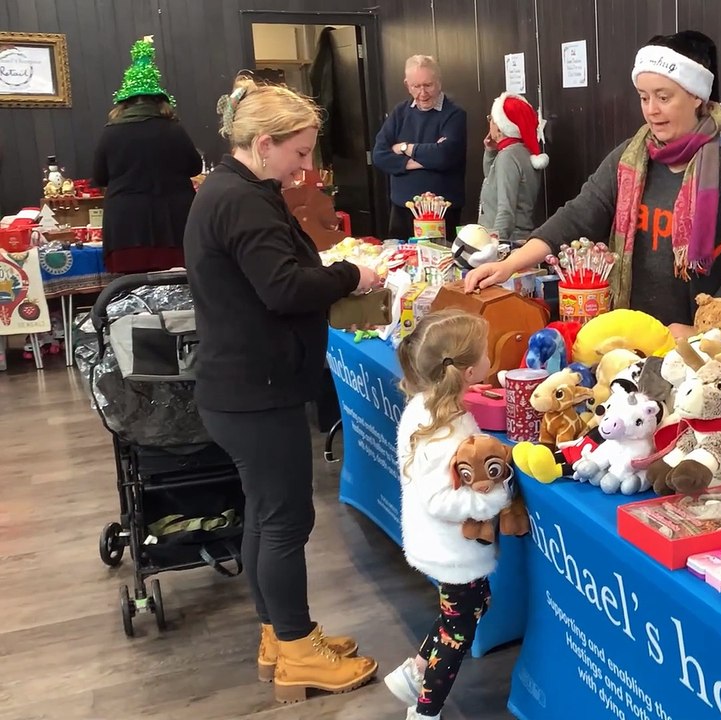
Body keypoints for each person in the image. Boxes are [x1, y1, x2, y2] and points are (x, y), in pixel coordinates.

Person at [184, 75, 380, 703]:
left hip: (239, 385)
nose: (307, 166)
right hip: (254, 390)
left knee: (265, 515)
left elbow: (277, 275)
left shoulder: (233, 188)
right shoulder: (241, 200)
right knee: (285, 520)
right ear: (262, 143)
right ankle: (297, 653)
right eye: (298, 153)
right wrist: (354, 274)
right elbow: (284, 288)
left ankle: (281, 633)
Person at [465, 31, 721, 338]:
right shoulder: (632, 157)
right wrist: (509, 265)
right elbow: (580, 213)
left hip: (704, 348)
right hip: (639, 336)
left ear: (696, 97)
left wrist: (706, 333)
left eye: (664, 97)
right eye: (644, 97)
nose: (652, 110)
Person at [383, 309, 510, 719]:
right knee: (458, 631)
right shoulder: (446, 429)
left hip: (440, 544)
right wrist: (494, 500)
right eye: (487, 352)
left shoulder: (430, 409)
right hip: (451, 548)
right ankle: (424, 712)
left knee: (474, 605)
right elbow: (440, 500)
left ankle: (414, 670)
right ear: (470, 371)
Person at [93, 36, 201, 273]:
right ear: (161, 101)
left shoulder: (110, 133)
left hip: (126, 231)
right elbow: (195, 167)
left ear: (123, 104)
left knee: (129, 295)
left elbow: (99, 178)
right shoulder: (174, 130)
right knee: (178, 294)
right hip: (174, 227)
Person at [374, 55, 467, 241]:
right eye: (416, 86)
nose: (422, 93)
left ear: (439, 82)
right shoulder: (399, 112)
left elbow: (444, 156)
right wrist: (426, 158)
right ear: (407, 84)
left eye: (428, 85)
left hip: (442, 212)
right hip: (402, 210)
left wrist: (403, 148)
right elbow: (379, 155)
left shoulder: (455, 115)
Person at [477, 92, 548, 245]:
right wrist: (490, 152)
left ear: (501, 126)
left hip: (508, 240)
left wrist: (495, 245)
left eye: (491, 119)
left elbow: (506, 209)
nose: (489, 123)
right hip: (517, 238)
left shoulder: (508, 156)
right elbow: (492, 180)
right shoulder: (522, 151)